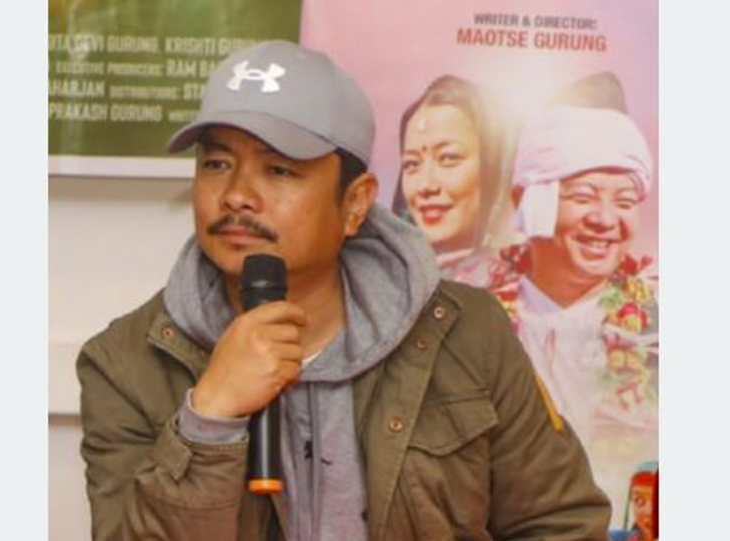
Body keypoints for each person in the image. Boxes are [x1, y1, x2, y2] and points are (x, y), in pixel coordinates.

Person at [77, 40, 611, 541]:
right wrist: (209, 418)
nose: (237, 194)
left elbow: (562, 523)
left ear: (355, 203)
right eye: (216, 164)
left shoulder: (468, 334)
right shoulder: (125, 364)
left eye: (278, 169)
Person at [491, 88, 658, 526]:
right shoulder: (473, 321)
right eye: (583, 197)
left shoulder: (660, 329)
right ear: (524, 200)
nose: (605, 219)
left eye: (624, 202)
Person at [392, 75, 514, 286]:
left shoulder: (528, 291)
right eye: (412, 164)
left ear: (494, 169)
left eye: (448, 158)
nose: (425, 186)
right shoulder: (384, 283)